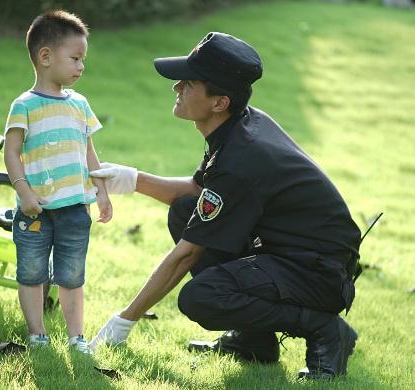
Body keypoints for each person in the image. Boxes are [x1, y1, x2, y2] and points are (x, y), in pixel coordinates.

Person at [89, 32, 362, 379]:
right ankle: (255, 343)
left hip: (318, 273)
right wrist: (129, 179)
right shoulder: (241, 124)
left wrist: (124, 320)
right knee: (185, 209)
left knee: (201, 298)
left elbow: (187, 255)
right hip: (288, 255)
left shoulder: (242, 158)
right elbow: (197, 191)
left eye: (188, 84)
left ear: (219, 102)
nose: (177, 89)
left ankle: (323, 328)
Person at [4, 10, 112, 354]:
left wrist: (102, 191)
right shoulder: (24, 105)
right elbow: (11, 153)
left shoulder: (80, 105)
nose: (81, 67)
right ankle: (37, 334)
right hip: (35, 210)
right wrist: (23, 191)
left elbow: (89, 152)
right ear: (46, 56)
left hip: (75, 210)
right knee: (32, 274)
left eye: (83, 60)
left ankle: (76, 337)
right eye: (75, 58)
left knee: (72, 276)